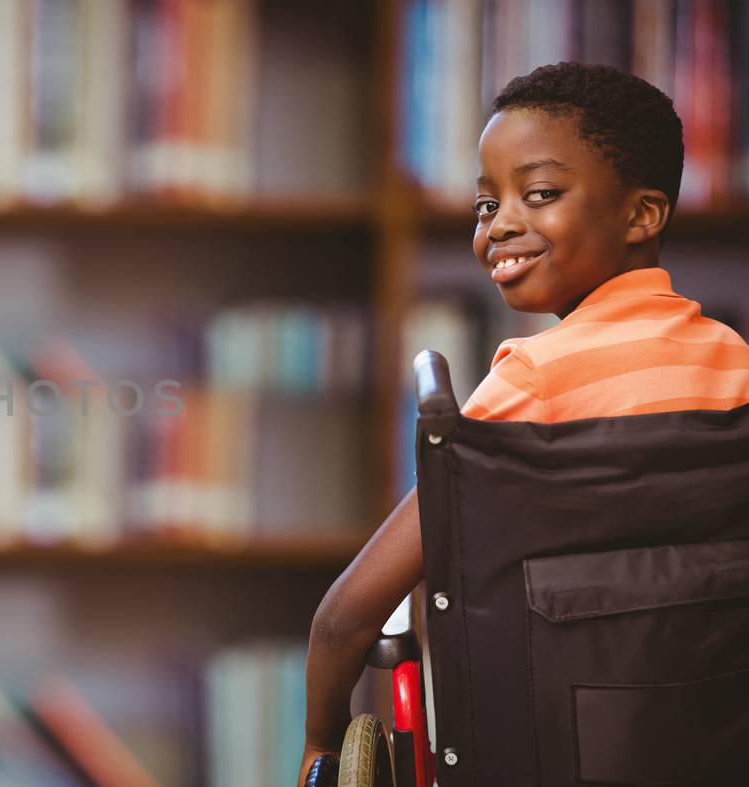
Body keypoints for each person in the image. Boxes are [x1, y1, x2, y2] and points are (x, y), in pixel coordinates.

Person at [296, 61, 749, 786]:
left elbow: (346, 616)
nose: (501, 224)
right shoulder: (735, 366)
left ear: (642, 213)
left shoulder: (531, 380)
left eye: (539, 194)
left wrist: (321, 742)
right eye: (485, 205)